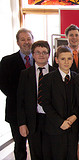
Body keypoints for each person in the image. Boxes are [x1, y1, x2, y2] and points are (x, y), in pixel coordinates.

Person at [17, 40, 55, 160]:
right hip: (33, 120)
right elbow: (20, 101)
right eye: (38, 52)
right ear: (33, 54)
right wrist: (22, 123)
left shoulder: (56, 73)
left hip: (52, 120)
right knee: (36, 153)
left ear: (49, 54)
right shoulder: (25, 74)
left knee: (51, 153)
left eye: (44, 52)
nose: (41, 55)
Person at [0, 28, 34, 160]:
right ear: (18, 42)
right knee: (20, 146)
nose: (26, 42)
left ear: (32, 40)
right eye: (23, 39)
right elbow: (3, 85)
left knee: (36, 145)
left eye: (28, 39)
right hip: (15, 111)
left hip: (35, 112)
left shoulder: (40, 60)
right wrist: (22, 99)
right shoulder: (7, 61)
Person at [40, 45, 78, 160]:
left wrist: (74, 116)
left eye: (69, 58)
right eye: (63, 59)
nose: (66, 62)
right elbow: (45, 103)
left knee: (72, 156)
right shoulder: (47, 79)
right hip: (55, 128)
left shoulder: (77, 78)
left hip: (73, 127)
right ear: (56, 60)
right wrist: (60, 122)